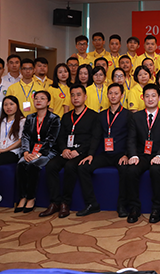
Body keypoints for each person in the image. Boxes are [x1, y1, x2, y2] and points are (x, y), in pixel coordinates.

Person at [39, 85, 102, 218]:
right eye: (73, 95)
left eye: (78, 95)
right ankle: (55, 202)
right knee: (51, 166)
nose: (75, 98)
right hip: (67, 151)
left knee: (70, 166)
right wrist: (64, 149)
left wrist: (79, 151)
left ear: (85, 97)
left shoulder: (93, 116)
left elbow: (95, 138)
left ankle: (65, 203)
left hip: (82, 152)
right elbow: (60, 136)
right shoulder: (67, 116)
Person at [78, 83, 131, 218]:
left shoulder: (128, 115)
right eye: (110, 93)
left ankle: (122, 205)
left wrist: (127, 154)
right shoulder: (101, 115)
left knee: (126, 170)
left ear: (122, 95)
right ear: (107, 95)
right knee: (83, 167)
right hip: (105, 154)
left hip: (121, 154)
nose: (113, 96)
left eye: (116, 93)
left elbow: (131, 137)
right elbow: (96, 137)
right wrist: (90, 154)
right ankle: (92, 204)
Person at [126, 84, 160, 224]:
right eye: (147, 96)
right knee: (131, 170)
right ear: (143, 98)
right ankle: (134, 208)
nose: (150, 99)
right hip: (142, 155)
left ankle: (156, 208)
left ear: (158, 98)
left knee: (155, 169)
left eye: (153, 96)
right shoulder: (136, 117)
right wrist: (133, 155)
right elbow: (131, 139)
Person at [15, 90, 60, 213]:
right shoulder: (30, 118)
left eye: (42, 98)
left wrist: (39, 154)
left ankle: (31, 198)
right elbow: (25, 137)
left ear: (48, 102)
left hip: (48, 151)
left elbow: (51, 139)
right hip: (31, 151)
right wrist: (26, 152)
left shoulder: (54, 118)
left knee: (33, 165)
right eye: (36, 98)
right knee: (21, 164)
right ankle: (22, 197)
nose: (38, 101)